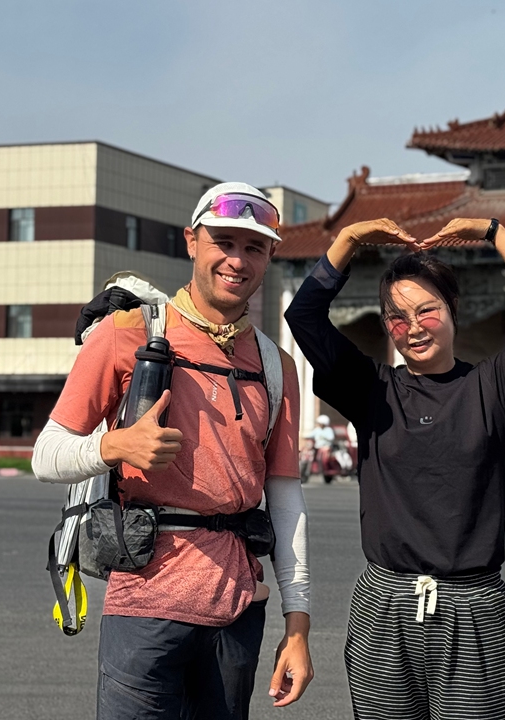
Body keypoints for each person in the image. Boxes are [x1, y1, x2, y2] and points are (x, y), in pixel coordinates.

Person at [32, 182, 313, 720]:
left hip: (238, 612)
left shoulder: (275, 366)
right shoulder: (126, 333)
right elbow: (47, 454)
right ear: (191, 241)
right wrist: (115, 445)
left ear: (269, 257)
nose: (237, 260)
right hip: (144, 606)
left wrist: (297, 622)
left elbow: (285, 501)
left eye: (254, 247)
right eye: (223, 242)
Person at [284, 216, 505, 719]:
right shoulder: (371, 390)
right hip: (383, 606)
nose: (412, 327)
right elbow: (303, 315)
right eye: (396, 317)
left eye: (426, 310)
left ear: (453, 308)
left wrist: (493, 232)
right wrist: (349, 239)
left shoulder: (494, 387)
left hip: (474, 608)